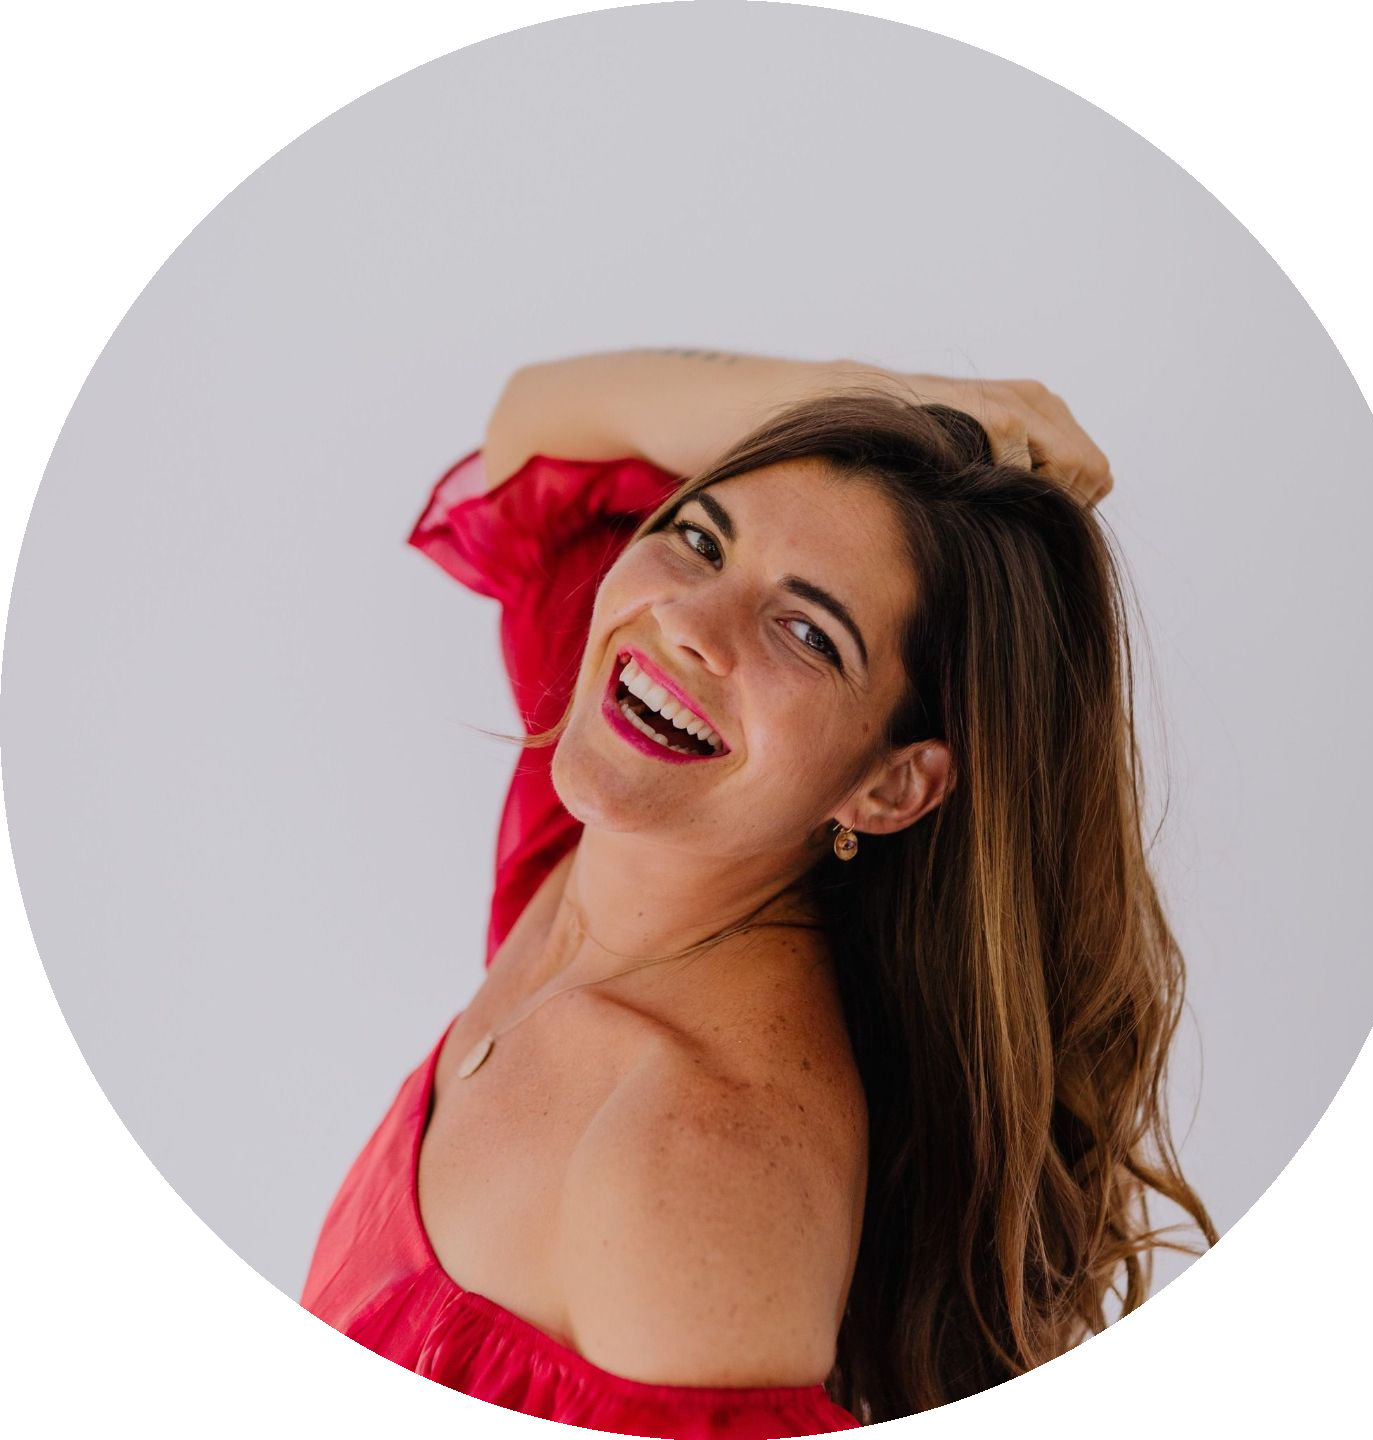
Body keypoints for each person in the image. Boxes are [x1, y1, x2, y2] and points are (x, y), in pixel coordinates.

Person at [300, 349, 1215, 1433]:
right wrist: (915, 409)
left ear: (890, 785)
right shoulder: (607, 838)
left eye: (808, 632)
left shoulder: (694, 1166)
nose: (689, 622)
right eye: (700, 538)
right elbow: (540, 430)